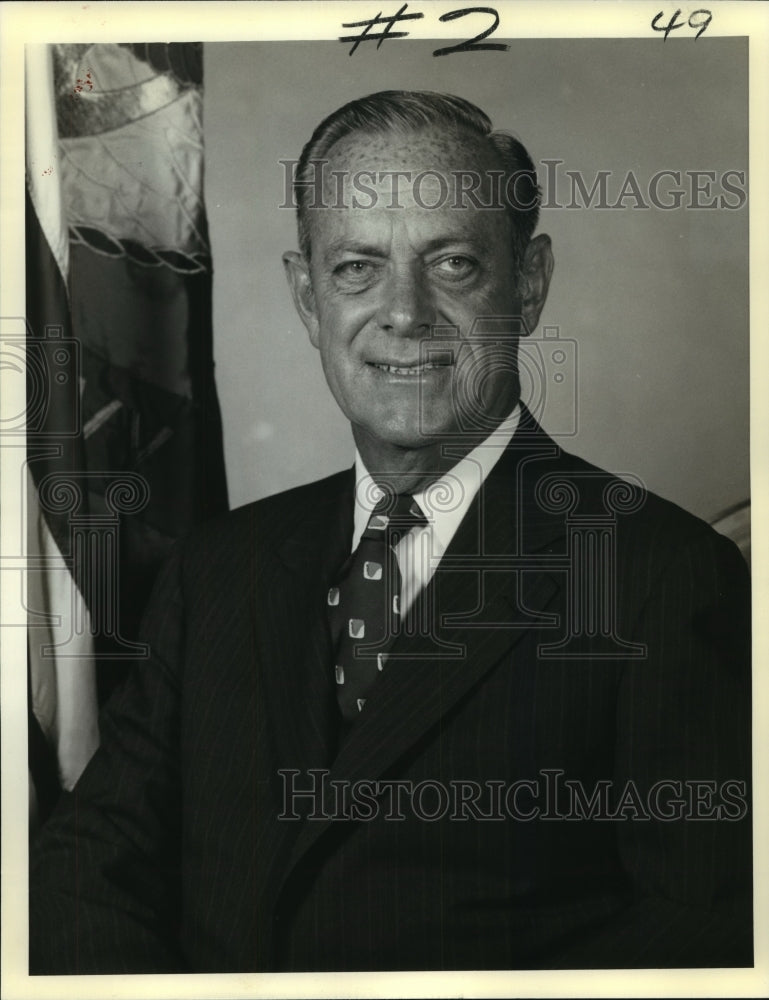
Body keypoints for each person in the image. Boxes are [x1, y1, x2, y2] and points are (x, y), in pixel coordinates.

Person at [29, 90, 752, 973]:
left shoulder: (665, 579)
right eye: (356, 268)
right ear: (307, 298)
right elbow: (90, 871)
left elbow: (700, 944)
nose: (401, 312)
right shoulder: (218, 569)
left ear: (527, 285)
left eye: (450, 264)